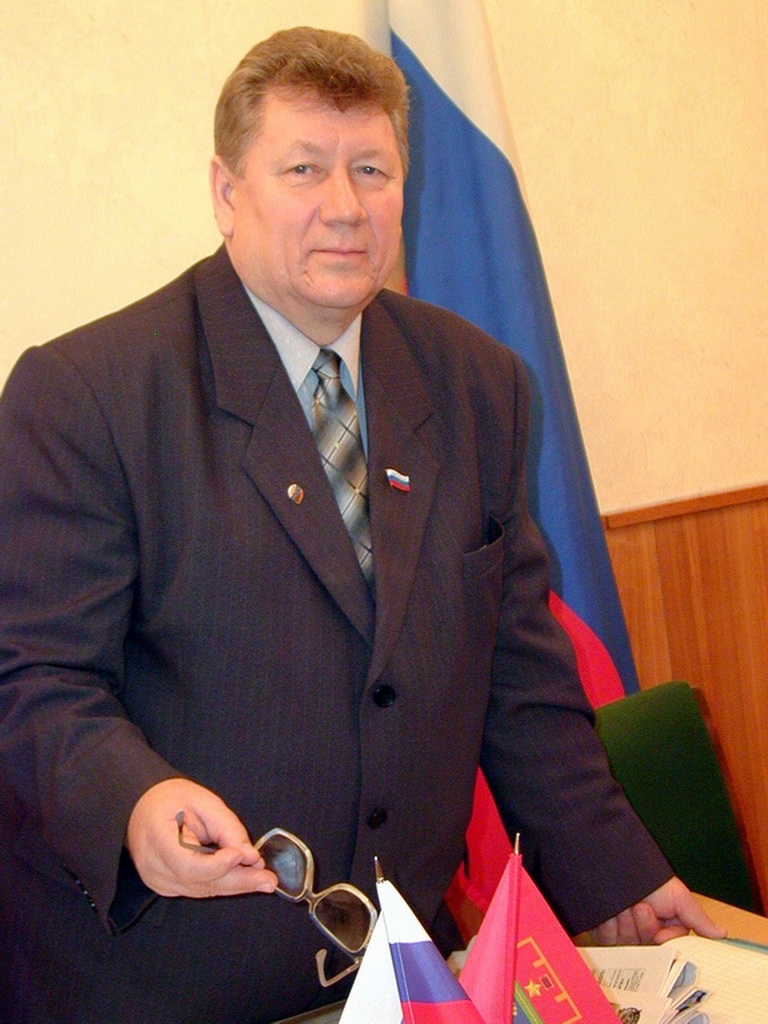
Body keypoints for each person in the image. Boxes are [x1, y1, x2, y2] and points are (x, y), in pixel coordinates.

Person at [0, 25, 723, 1024]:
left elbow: (519, 682)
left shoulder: (479, 384)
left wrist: (619, 882)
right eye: (303, 168)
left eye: (372, 170)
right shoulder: (90, 394)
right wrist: (131, 800)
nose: (344, 205)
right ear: (226, 190)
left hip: (396, 972)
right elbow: (32, 676)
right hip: (157, 980)